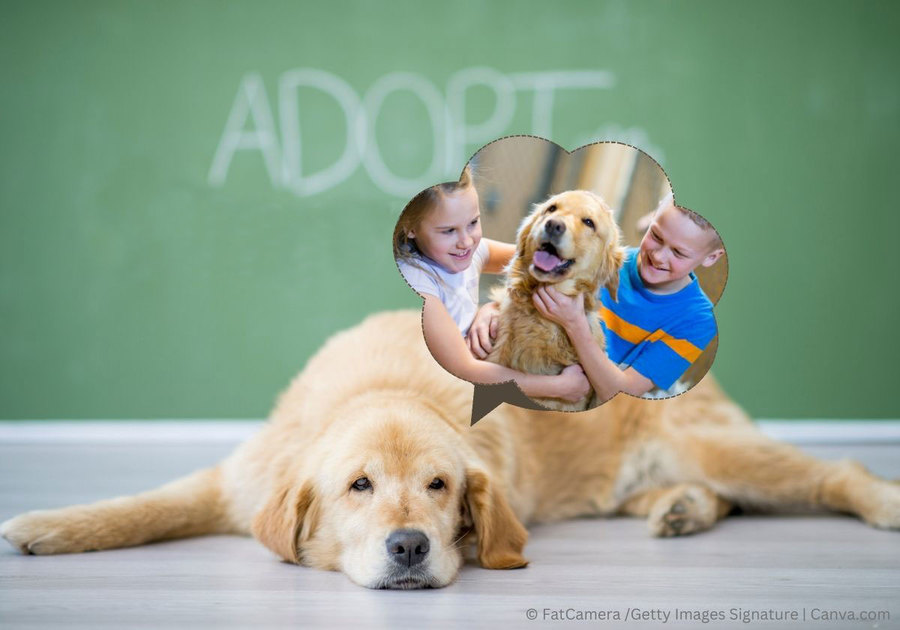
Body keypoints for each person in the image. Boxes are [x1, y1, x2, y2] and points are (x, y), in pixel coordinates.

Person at [470, 194, 724, 403]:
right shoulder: (607, 259)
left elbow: (620, 396)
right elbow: (517, 264)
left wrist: (574, 323)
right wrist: (492, 309)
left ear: (711, 257)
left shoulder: (698, 320)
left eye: (678, 253)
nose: (658, 256)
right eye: (655, 236)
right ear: (652, 218)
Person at [394, 169, 590, 404]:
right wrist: (559, 386)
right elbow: (464, 372)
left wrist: (493, 307)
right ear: (411, 228)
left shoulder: (471, 252)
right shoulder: (419, 285)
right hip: (428, 395)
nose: (466, 241)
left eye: (473, 222)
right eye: (448, 231)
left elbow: (530, 259)